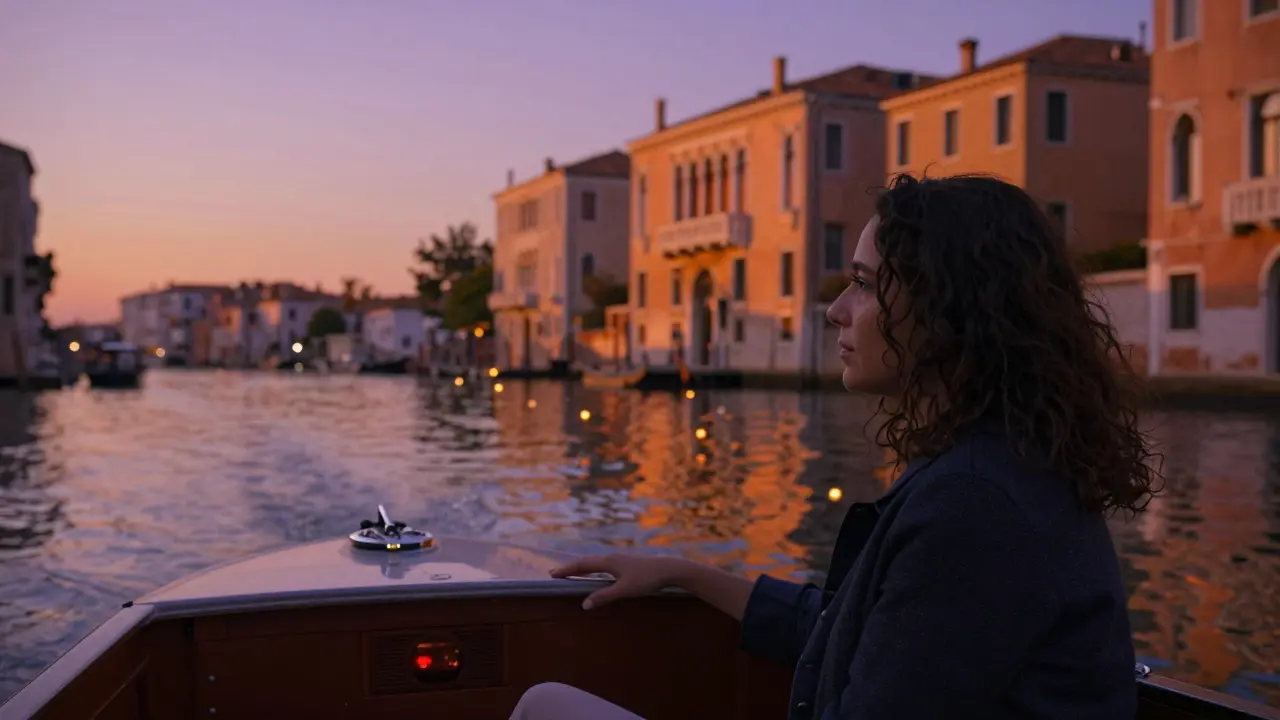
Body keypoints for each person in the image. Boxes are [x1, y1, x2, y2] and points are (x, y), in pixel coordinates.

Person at [509, 173, 1160, 720]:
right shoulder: (997, 467)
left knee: (545, 708)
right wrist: (685, 572)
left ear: (948, 310)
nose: (836, 311)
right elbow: (850, 629)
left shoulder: (976, 503)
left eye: (866, 283)